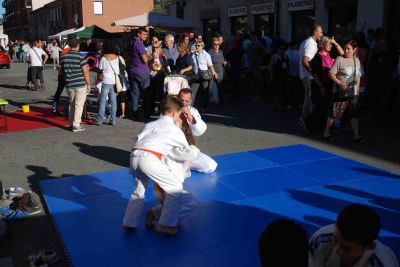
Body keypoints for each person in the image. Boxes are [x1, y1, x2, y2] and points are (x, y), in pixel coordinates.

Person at [122, 95, 199, 235]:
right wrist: (194, 151)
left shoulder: (149, 124)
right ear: (175, 112)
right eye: (179, 114)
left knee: (138, 191)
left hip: (134, 156)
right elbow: (186, 151)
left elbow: (140, 140)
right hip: (150, 158)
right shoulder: (174, 129)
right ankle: (166, 225)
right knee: (175, 188)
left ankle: (129, 222)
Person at [309, 204, 399, 267]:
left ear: (369, 247)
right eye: (335, 240)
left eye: (346, 249)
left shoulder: (383, 263)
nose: (337, 250)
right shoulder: (321, 239)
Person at [323, 40, 365, 143]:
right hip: (340, 92)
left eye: (348, 49)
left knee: (354, 114)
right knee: (334, 113)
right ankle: (326, 133)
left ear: (354, 50)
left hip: (353, 92)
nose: (346, 50)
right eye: (345, 48)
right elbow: (331, 74)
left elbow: (358, 76)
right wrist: (339, 83)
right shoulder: (339, 59)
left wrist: (357, 90)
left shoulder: (357, 60)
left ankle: (356, 136)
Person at [305, 36, 344, 133]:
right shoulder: (318, 57)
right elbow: (314, 74)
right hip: (320, 86)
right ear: (322, 45)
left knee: (325, 107)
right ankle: (308, 124)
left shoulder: (329, 55)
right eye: (329, 44)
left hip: (329, 85)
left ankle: (320, 127)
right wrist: (321, 86)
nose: (330, 46)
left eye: (331, 44)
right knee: (320, 106)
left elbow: (343, 54)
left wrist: (335, 43)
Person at [178, 88, 218, 173]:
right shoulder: (170, 110)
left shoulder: (193, 111)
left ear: (190, 101)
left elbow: (200, 131)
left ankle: (183, 163)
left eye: (186, 101)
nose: (183, 103)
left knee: (211, 165)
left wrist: (190, 117)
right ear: (177, 98)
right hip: (171, 150)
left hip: (187, 149)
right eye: (181, 100)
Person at [60, 38, 91, 132]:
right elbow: (85, 71)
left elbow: (61, 71)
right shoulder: (80, 56)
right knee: (79, 105)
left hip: (69, 84)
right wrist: (89, 84)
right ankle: (76, 125)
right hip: (80, 84)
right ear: (78, 45)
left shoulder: (64, 56)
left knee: (72, 104)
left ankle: (71, 123)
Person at [299, 24, 324, 127]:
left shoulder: (307, 42)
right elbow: (305, 61)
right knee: (309, 98)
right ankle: (304, 119)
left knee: (308, 97)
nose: (322, 34)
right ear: (315, 32)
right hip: (309, 76)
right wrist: (313, 73)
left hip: (307, 75)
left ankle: (305, 119)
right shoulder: (310, 43)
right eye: (321, 32)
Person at [127, 27, 151, 119]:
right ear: (138, 34)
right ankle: (147, 114)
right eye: (143, 34)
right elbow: (145, 60)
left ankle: (135, 114)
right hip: (142, 72)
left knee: (134, 94)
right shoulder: (139, 44)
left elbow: (128, 55)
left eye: (146, 34)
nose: (145, 36)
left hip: (133, 71)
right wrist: (148, 55)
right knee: (146, 94)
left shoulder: (131, 42)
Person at [94, 40, 119, 126]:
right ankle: (113, 120)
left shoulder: (104, 58)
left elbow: (99, 68)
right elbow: (118, 70)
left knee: (102, 101)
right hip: (113, 81)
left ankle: (100, 120)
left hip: (105, 81)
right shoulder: (117, 57)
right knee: (113, 101)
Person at [191, 41, 218, 111]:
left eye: (198, 46)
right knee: (193, 91)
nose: (196, 47)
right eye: (196, 45)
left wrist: (214, 73)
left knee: (205, 92)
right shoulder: (193, 55)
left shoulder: (206, 55)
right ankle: (191, 107)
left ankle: (204, 107)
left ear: (202, 47)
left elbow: (210, 65)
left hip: (204, 76)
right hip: (196, 76)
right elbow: (192, 65)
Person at [268, 43, 289, 112]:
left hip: (284, 76)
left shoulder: (286, 57)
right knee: (277, 91)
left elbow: (288, 67)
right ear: (278, 50)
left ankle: (276, 105)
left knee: (283, 91)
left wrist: (289, 74)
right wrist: (271, 76)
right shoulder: (275, 57)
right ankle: (278, 106)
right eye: (281, 49)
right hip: (276, 77)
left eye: (284, 49)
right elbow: (270, 67)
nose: (282, 50)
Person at [208, 37, 227, 108]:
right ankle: (206, 104)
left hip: (220, 72)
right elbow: (209, 64)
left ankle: (221, 103)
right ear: (212, 44)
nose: (217, 46)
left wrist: (224, 62)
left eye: (218, 44)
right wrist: (213, 72)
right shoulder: (209, 52)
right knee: (209, 89)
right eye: (215, 44)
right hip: (212, 72)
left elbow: (222, 60)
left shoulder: (220, 52)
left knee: (220, 89)